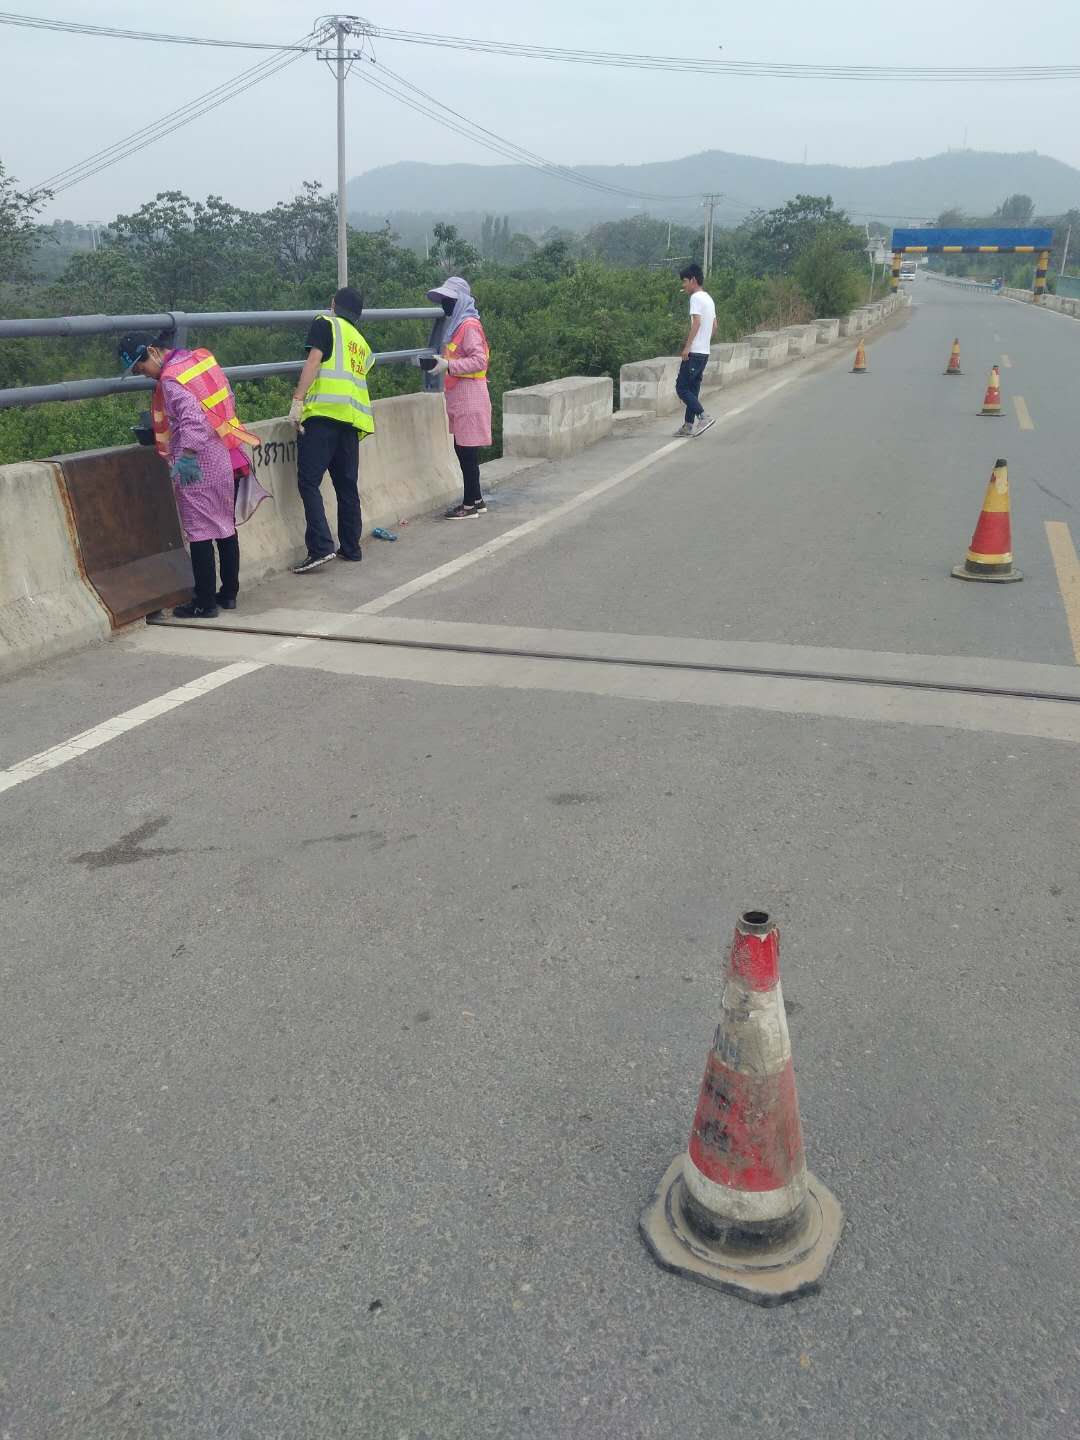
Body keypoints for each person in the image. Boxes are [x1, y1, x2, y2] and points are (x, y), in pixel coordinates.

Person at [118, 332, 259, 618]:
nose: (144, 374)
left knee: (199, 530)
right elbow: (227, 398)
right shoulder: (200, 360)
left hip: (198, 462)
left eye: (141, 368)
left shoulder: (171, 380)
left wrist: (188, 456)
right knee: (225, 525)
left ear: (153, 352)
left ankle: (204, 602)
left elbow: (193, 420)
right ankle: (229, 594)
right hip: (223, 454)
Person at [288, 286, 375, 573]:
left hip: (323, 416)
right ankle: (351, 548)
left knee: (308, 482)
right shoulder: (361, 343)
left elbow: (314, 361)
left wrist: (298, 400)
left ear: (333, 304)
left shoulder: (325, 324)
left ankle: (321, 547)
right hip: (351, 421)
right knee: (346, 486)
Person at [420, 276, 492, 518]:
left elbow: (480, 360)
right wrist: (443, 363)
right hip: (460, 395)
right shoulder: (459, 326)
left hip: (469, 394)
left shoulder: (468, 326)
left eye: (448, 300)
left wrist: (448, 365)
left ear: (460, 301)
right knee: (464, 449)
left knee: (466, 451)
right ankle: (477, 499)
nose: (444, 304)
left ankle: (469, 506)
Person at [675, 263, 717, 438]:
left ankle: (703, 416)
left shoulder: (696, 298)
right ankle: (688, 425)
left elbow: (697, 323)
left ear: (693, 280)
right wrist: (704, 342)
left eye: (684, 281)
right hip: (704, 353)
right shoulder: (708, 298)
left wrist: (688, 347)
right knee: (692, 390)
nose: (683, 285)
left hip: (695, 353)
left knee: (681, 388)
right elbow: (714, 326)